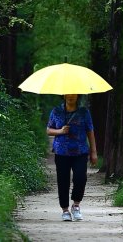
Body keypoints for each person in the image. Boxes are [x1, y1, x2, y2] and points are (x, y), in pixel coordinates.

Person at [46, 94, 98, 222]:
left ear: (77, 95)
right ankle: (65, 210)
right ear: (63, 95)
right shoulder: (56, 111)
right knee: (63, 181)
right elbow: (48, 130)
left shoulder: (83, 112)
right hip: (61, 152)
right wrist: (60, 131)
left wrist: (93, 152)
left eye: (73, 93)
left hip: (80, 151)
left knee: (80, 178)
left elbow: (90, 131)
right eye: (68, 93)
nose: (71, 96)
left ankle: (76, 205)